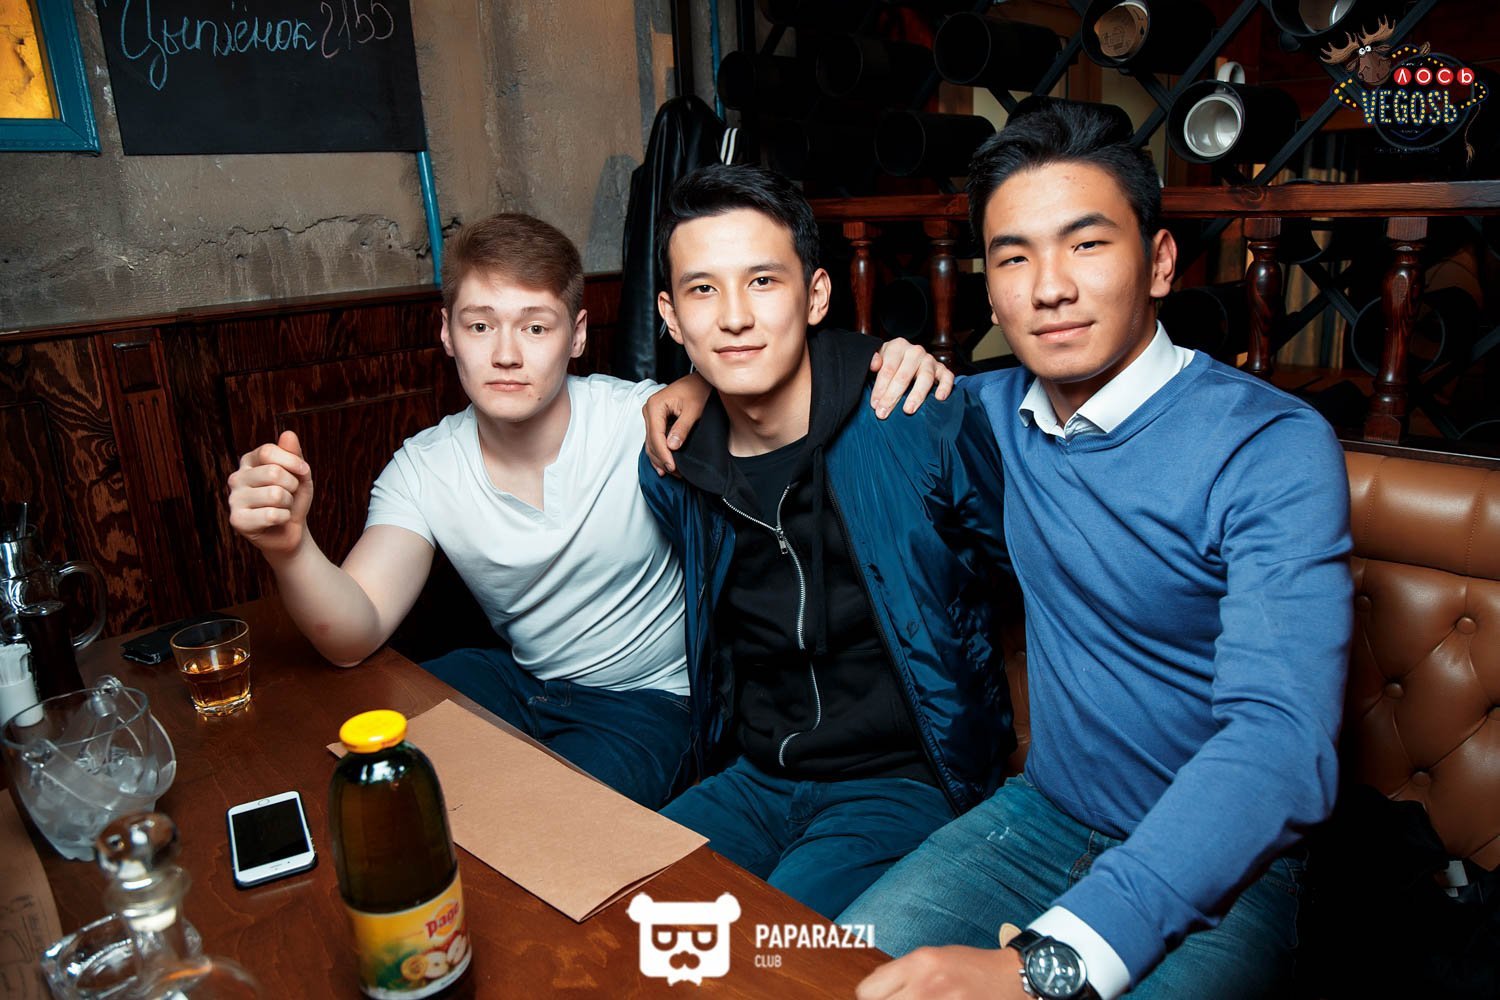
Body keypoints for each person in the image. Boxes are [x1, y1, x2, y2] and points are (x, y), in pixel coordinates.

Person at [838, 103, 1355, 999]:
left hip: (1225, 861)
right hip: (1037, 819)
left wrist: (1045, 967)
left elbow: (1282, 742)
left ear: (1159, 263)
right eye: (1013, 258)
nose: (1049, 288)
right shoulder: (980, 417)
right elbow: (797, 388)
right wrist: (686, 390)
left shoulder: (1268, 445)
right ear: (989, 287)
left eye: (1085, 245)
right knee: (833, 975)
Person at [226, 211, 952, 810]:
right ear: (446, 333)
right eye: (479, 326)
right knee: (363, 756)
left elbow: (771, 381)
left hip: (649, 700)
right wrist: (291, 547)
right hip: (521, 679)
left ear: (576, 335)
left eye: (535, 328)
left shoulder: (644, 417)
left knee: (547, 830)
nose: (506, 354)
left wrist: (886, 359)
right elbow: (353, 632)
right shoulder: (424, 466)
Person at [637, 163, 1015, 919]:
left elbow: (1023, 579)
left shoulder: (914, 418)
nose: (734, 317)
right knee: (616, 913)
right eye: (703, 289)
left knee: (772, 956)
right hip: (754, 777)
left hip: (902, 779)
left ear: (815, 295)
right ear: (672, 318)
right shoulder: (674, 465)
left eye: (763, 282)